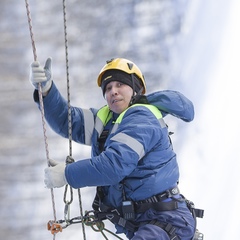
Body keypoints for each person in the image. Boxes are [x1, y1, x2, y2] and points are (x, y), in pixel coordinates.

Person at [30, 57, 197, 240]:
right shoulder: (107, 122)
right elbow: (67, 121)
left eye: (120, 84)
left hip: (166, 221)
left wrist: (67, 174)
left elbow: (114, 165)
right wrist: (46, 91)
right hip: (145, 224)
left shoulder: (142, 118)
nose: (113, 92)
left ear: (135, 89)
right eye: (108, 88)